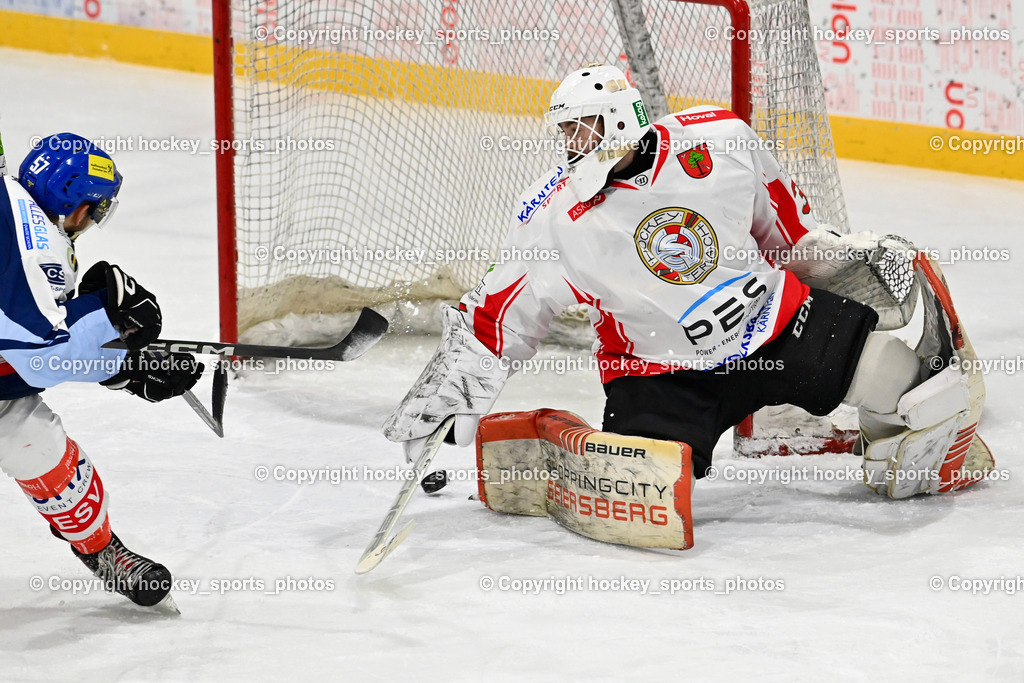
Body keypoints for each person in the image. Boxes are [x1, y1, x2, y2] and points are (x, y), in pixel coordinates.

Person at [383, 63, 992, 512]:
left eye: (584, 129)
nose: (572, 145)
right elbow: (498, 317)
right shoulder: (550, 214)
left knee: (908, 389)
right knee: (641, 489)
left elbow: (789, 233)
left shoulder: (719, 140)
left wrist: (842, 257)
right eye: (565, 133)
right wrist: (448, 395)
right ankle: (583, 454)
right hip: (659, 373)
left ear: (622, 118)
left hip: (775, 327)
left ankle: (803, 419)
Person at [0, 133, 202, 609]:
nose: (90, 221)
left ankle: (103, 551)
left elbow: (23, 345)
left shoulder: (21, 218)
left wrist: (120, 361)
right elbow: (42, 354)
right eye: (93, 208)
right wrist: (109, 328)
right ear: (73, 200)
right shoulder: (29, 235)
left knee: (37, 443)